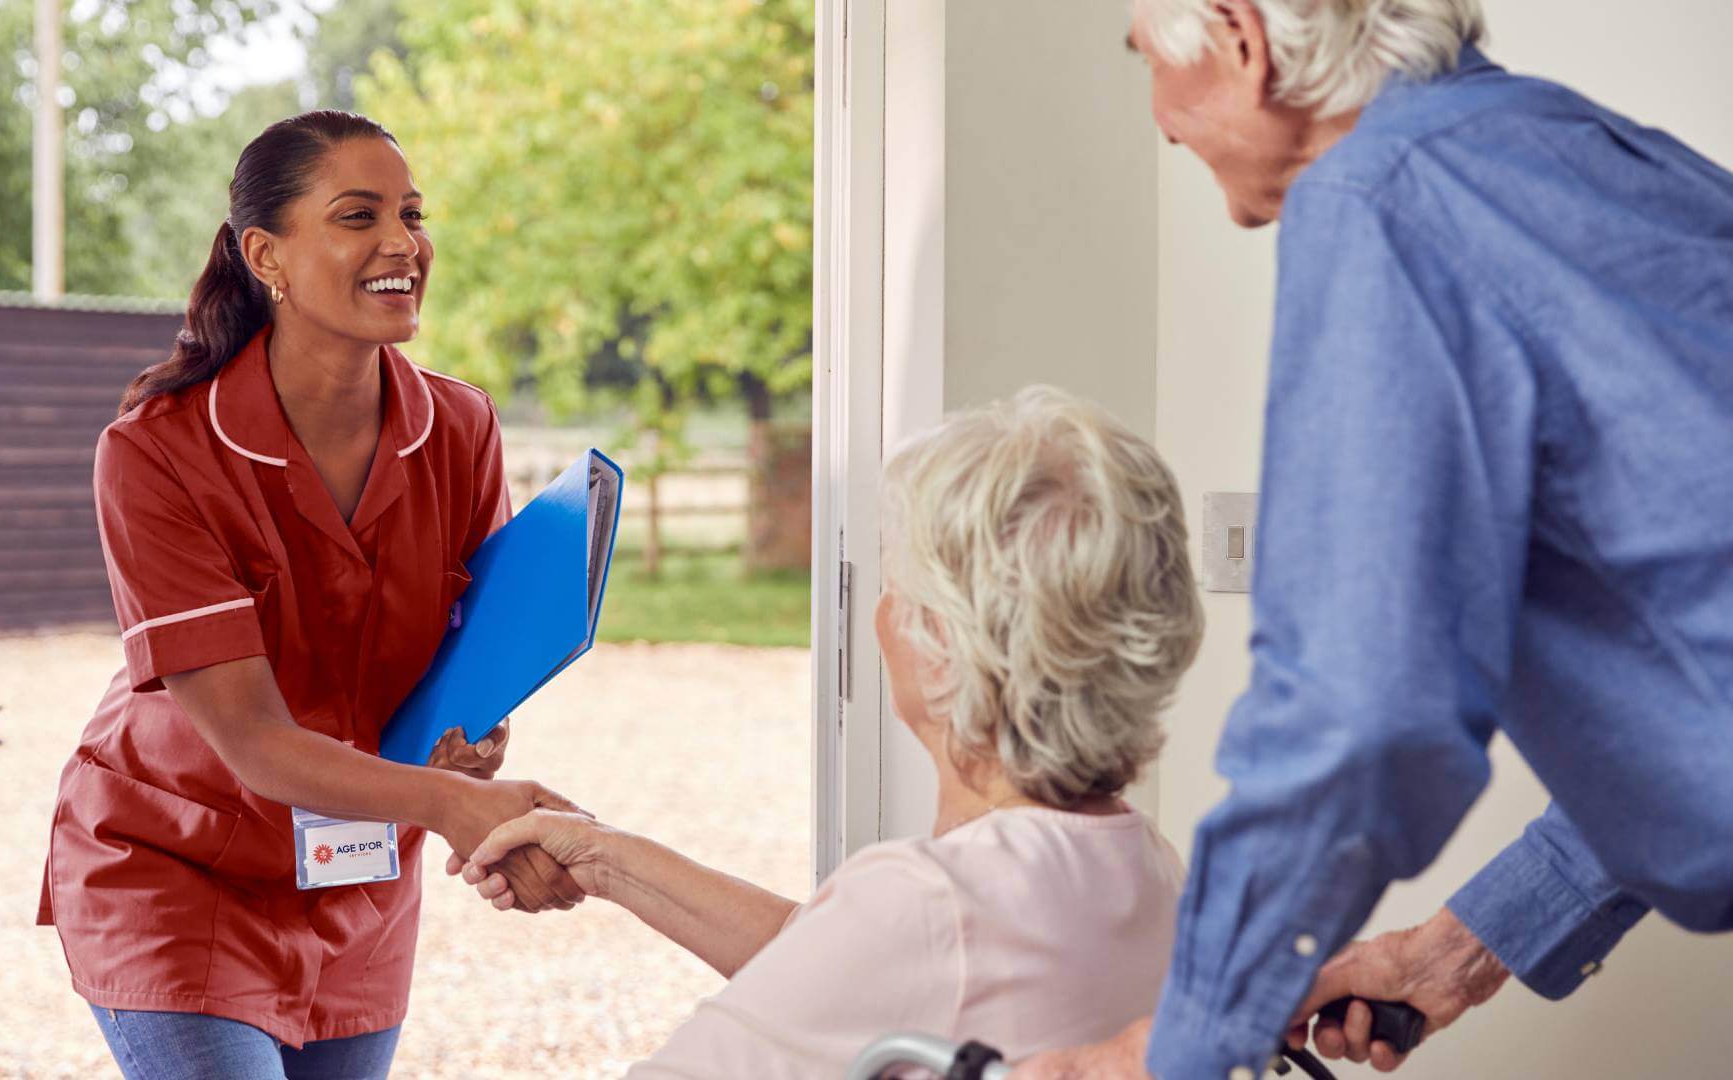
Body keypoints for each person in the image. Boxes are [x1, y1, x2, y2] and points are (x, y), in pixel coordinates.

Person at [1010, 2, 1733, 1077]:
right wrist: (1453, 954)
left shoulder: (1378, 197)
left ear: (1238, 38)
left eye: (1147, 66)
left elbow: (1356, 709)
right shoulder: (1574, 151)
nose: (1161, 124)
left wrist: (1167, 1054)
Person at [36, 111, 588, 1080]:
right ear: (268, 255)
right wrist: (455, 807)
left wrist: (473, 748)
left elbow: (464, 668)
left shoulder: (459, 427)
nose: (403, 244)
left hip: (357, 890)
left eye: (412, 215)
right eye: (357, 215)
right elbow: (252, 741)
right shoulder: (157, 451)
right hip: (179, 872)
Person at [455, 387, 1204, 1077]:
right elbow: (842, 970)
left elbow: (876, 959)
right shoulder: (1149, 868)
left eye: (896, 583)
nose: (881, 611)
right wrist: (605, 858)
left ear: (943, 645)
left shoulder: (929, 903)